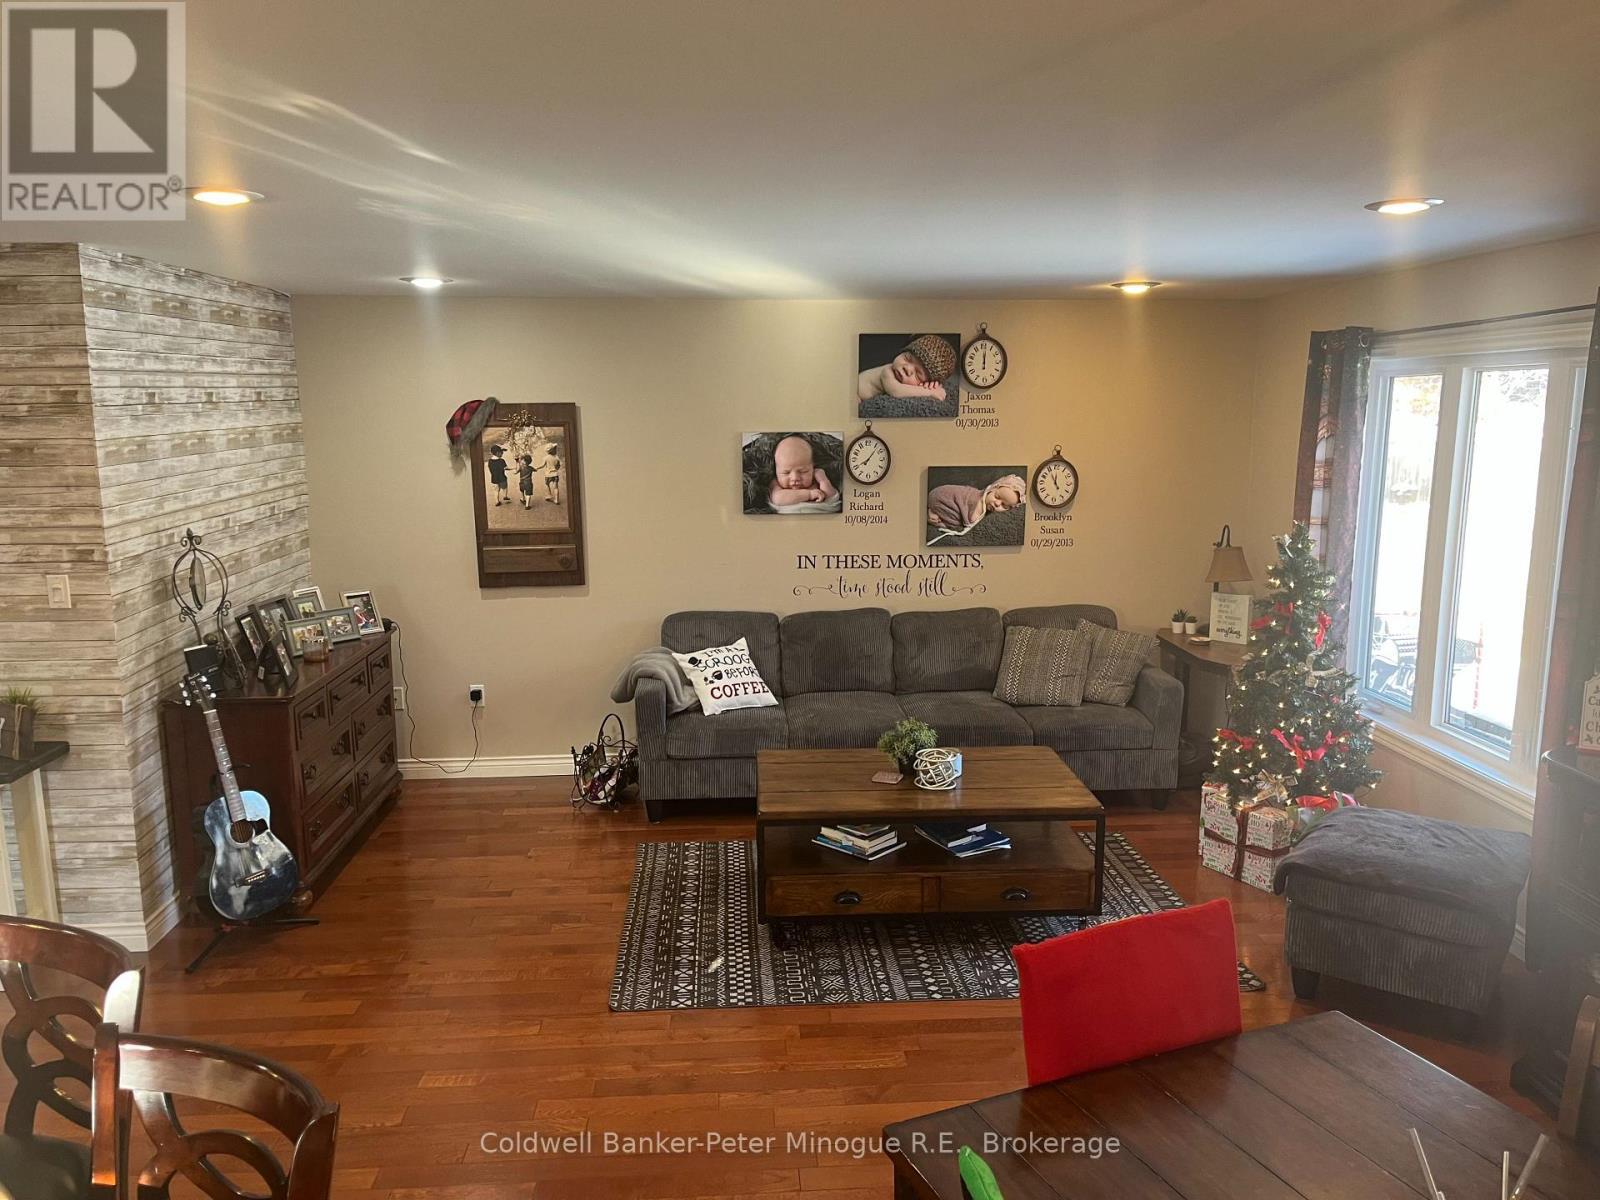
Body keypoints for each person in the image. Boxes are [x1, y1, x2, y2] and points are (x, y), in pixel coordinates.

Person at [857, 334, 957, 403]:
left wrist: (929, 386)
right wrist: (930, 392)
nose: (907, 368)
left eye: (918, 374)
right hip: (855, 391)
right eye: (907, 358)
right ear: (903, 351)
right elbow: (896, 391)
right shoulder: (887, 372)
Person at [927, 474, 1026, 532]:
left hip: (937, 494)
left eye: (1004, 506)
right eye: (997, 497)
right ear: (991, 488)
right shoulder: (978, 499)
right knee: (954, 523)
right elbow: (971, 520)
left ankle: (933, 512)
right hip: (940, 497)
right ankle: (934, 514)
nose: (997, 504)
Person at [768, 435, 838, 507]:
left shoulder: (815, 481)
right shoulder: (776, 484)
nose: (795, 478)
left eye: (803, 471)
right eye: (786, 472)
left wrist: (823, 481)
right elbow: (778, 500)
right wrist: (809, 495)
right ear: (776, 470)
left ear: (812, 467)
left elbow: (832, 498)